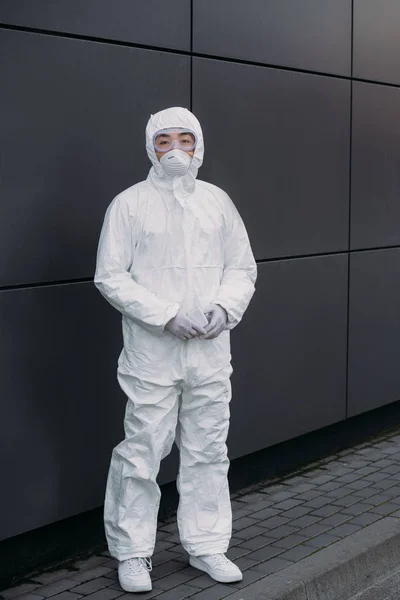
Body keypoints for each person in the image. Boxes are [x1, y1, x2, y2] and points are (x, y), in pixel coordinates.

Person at [94, 107, 257, 593]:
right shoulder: (129, 205)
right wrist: (165, 313)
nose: (176, 150)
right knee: (142, 452)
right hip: (153, 356)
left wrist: (224, 310)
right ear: (151, 146)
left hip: (209, 352)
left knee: (208, 450)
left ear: (199, 145)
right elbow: (110, 275)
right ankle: (132, 552)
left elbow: (242, 268)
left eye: (185, 140)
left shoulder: (217, 203)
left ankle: (207, 545)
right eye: (165, 141)